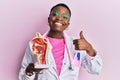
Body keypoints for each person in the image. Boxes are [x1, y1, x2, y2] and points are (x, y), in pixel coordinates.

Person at [19, 3, 103, 80]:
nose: (59, 18)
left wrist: (89, 49)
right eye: (55, 14)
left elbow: (95, 70)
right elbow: (23, 78)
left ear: (68, 24)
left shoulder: (77, 45)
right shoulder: (35, 44)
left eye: (65, 17)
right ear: (49, 19)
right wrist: (29, 71)